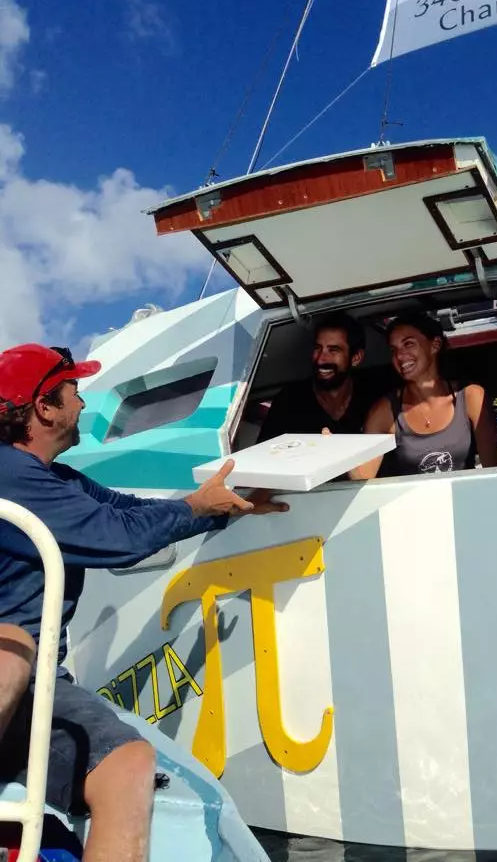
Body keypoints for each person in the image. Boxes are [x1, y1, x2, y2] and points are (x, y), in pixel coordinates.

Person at [0, 343, 286, 862]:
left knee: (127, 764)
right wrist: (199, 508)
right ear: (44, 407)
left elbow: (130, 513)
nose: (83, 405)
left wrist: (227, 505)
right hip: (9, 669)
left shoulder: (55, 480)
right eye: (74, 392)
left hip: (37, 691)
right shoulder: (7, 475)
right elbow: (117, 536)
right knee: (11, 645)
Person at [349, 312, 497, 479]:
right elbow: (359, 480)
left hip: (463, 502)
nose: (399, 356)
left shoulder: (470, 396)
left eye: (408, 344)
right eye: (393, 350)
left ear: (435, 345)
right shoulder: (385, 410)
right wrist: (331, 450)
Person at [257, 312, 374, 441]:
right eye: (317, 348)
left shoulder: (373, 393)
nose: (320, 360)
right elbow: (266, 454)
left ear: (356, 357)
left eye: (333, 350)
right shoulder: (290, 401)